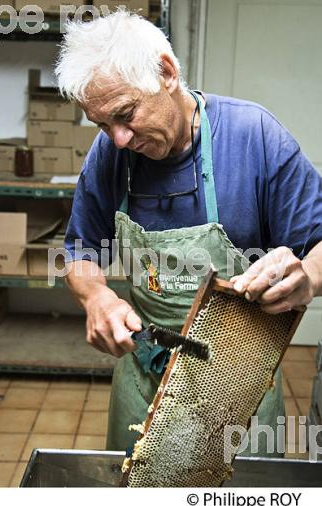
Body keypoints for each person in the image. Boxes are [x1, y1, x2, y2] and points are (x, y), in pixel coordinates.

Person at [56, 10, 322, 456]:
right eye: (103, 125)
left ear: (167, 72)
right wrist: (95, 297)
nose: (117, 139)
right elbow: (79, 252)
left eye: (126, 115)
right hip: (144, 378)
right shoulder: (110, 154)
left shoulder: (253, 137)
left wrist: (309, 277)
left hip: (240, 382)